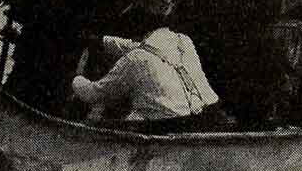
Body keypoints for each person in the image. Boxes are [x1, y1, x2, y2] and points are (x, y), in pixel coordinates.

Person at [70, 26, 220, 124]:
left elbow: (94, 94)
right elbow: (143, 47)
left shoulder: (134, 59)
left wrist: (76, 78)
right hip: (211, 115)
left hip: (172, 126)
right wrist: (101, 41)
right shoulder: (182, 41)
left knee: (129, 118)